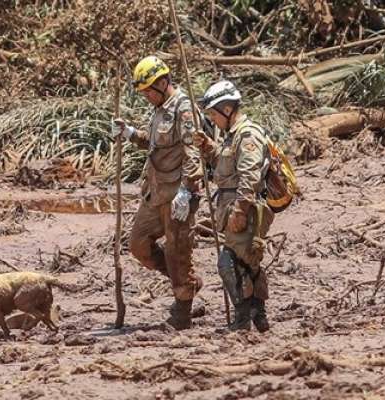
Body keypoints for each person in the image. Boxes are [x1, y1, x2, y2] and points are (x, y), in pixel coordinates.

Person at [111, 56, 203, 329]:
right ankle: (185, 281)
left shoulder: (184, 109)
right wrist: (128, 133)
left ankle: (183, 308)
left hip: (177, 194)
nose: (147, 96)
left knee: (178, 250)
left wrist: (188, 191)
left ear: (164, 82)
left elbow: (193, 153)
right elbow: (154, 145)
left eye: (150, 90)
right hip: (154, 192)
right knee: (138, 245)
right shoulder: (160, 109)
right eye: (144, 92)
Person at [192, 80, 273, 332]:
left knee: (229, 264)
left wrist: (240, 210)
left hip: (244, 209)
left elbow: (250, 176)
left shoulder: (247, 135)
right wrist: (207, 147)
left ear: (227, 110)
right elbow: (225, 165)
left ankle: (242, 321)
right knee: (248, 264)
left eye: (214, 114)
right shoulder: (232, 137)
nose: (213, 120)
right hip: (230, 206)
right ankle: (258, 317)